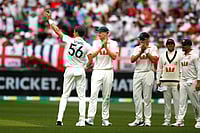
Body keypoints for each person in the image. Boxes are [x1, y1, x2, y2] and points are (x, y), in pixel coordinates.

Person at [44, 9, 92, 127]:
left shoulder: (69, 40)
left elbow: (57, 31)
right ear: (84, 34)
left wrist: (50, 19)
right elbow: (90, 60)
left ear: (75, 32)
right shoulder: (87, 45)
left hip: (69, 69)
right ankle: (81, 120)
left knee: (65, 95)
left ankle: (59, 119)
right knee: (82, 97)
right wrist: (86, 66)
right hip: (80, 70)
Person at [85, 26, 119, 126]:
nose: (99, 34)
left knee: (106, 96)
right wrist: (101, 47)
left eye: (101, 33)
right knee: (93, 94)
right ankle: (90, 118)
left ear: (107, 33)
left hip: (108, 71)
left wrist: (106, 48)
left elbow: (114, 57)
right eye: (98, 33)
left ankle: (105, 119)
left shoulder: (113, 43)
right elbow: (91, 56)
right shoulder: (96, 43)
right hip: (97, 70)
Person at [128, 32, 159, 127]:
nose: (141, 41)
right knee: (136, 97)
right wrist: (141, 51)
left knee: (147, 97)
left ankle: (147, 119)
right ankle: (138, 119)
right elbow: (132, 60)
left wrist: (146, 51)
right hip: (137, 72)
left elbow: (154, 60)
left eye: (142, 39)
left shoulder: (153, 48)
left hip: (148, 72)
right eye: (140, 39)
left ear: (147, 39)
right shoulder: (136, 48)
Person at [171, 39, 200, 128]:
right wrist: (180, 80)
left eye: (184, 45)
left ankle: (198, 120)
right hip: (183, 80)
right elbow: (180, 69)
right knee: (182, 102)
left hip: (192, 80)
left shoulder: (194, 56)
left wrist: (199, 82)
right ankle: (180, 121)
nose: (182, 47)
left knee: (195, 103)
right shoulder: (182, 55)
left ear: (189, 46)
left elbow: (199, 69)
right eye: (182, 45)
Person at [156, 39, 182, 126]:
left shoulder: (179, 55)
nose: (170, 45)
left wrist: (180, 81)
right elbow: (159, 68)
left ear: (174, 45)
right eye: (168, 44)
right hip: (165, 81)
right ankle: (167, 120)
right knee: (167, 102)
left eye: (171, 44)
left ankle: (179, 120)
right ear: (166, 45)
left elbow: (181, 70)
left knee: (177, 102)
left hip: (175, 81)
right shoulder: (163, 55)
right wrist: (158, 79)